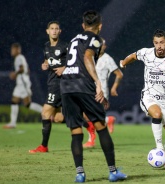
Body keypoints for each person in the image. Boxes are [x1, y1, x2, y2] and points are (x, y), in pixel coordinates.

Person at [60, 10, 127, 182]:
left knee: (76, 131)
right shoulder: (96, 39)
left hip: (67, 86)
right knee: (101, 127)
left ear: (83, 25)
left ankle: (80, 174)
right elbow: (88, 56)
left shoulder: (74, 39)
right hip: (83, 84)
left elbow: (70, 61)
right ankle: (113, 172)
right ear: (100, 26)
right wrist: (97, 82)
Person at [120, 29, 165, 169]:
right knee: (157, 114)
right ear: (153, 43)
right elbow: (133, 56)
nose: (159, 46)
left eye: (161, 42)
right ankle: (159, 148)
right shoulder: (146, 53)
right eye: (156, 43)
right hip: (149, 96)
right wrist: (123, 63)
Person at [29, 21, 67, 153]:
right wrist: (44, 65)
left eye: (57, 28)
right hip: (51, 82)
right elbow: (47, 61)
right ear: (47, 31)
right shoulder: (46, 46)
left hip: (59, 84)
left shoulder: (65, 46)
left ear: (60, 31)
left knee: (45, 112)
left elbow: (76, 62)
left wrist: (64, 68)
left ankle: (43, 146)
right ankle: (86, 123)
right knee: (57, 118)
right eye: (52, 28)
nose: (54, 31)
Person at [83, 38, 123, 148]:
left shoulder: (107, 59)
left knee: (87, 115)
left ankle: (91, 140)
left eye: (104, 45)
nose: (102, 46)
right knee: (87, 116)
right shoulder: (89, 56)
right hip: (88, 90)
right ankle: (107, 120)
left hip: (101, 92)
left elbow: (119, 74)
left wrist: (114, 88)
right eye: (100, 44)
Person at [3, 43, 42, 129]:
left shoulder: (19, 57)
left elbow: (22, 69)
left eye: (13, 49)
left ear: (18, 50)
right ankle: (12, 123)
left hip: (23, 84)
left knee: (27, 104)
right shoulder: (21, 58)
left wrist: (15, 74)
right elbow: (27, 70)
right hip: (20, 83)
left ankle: (45, 112)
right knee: (14, 101)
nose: (11, 51)